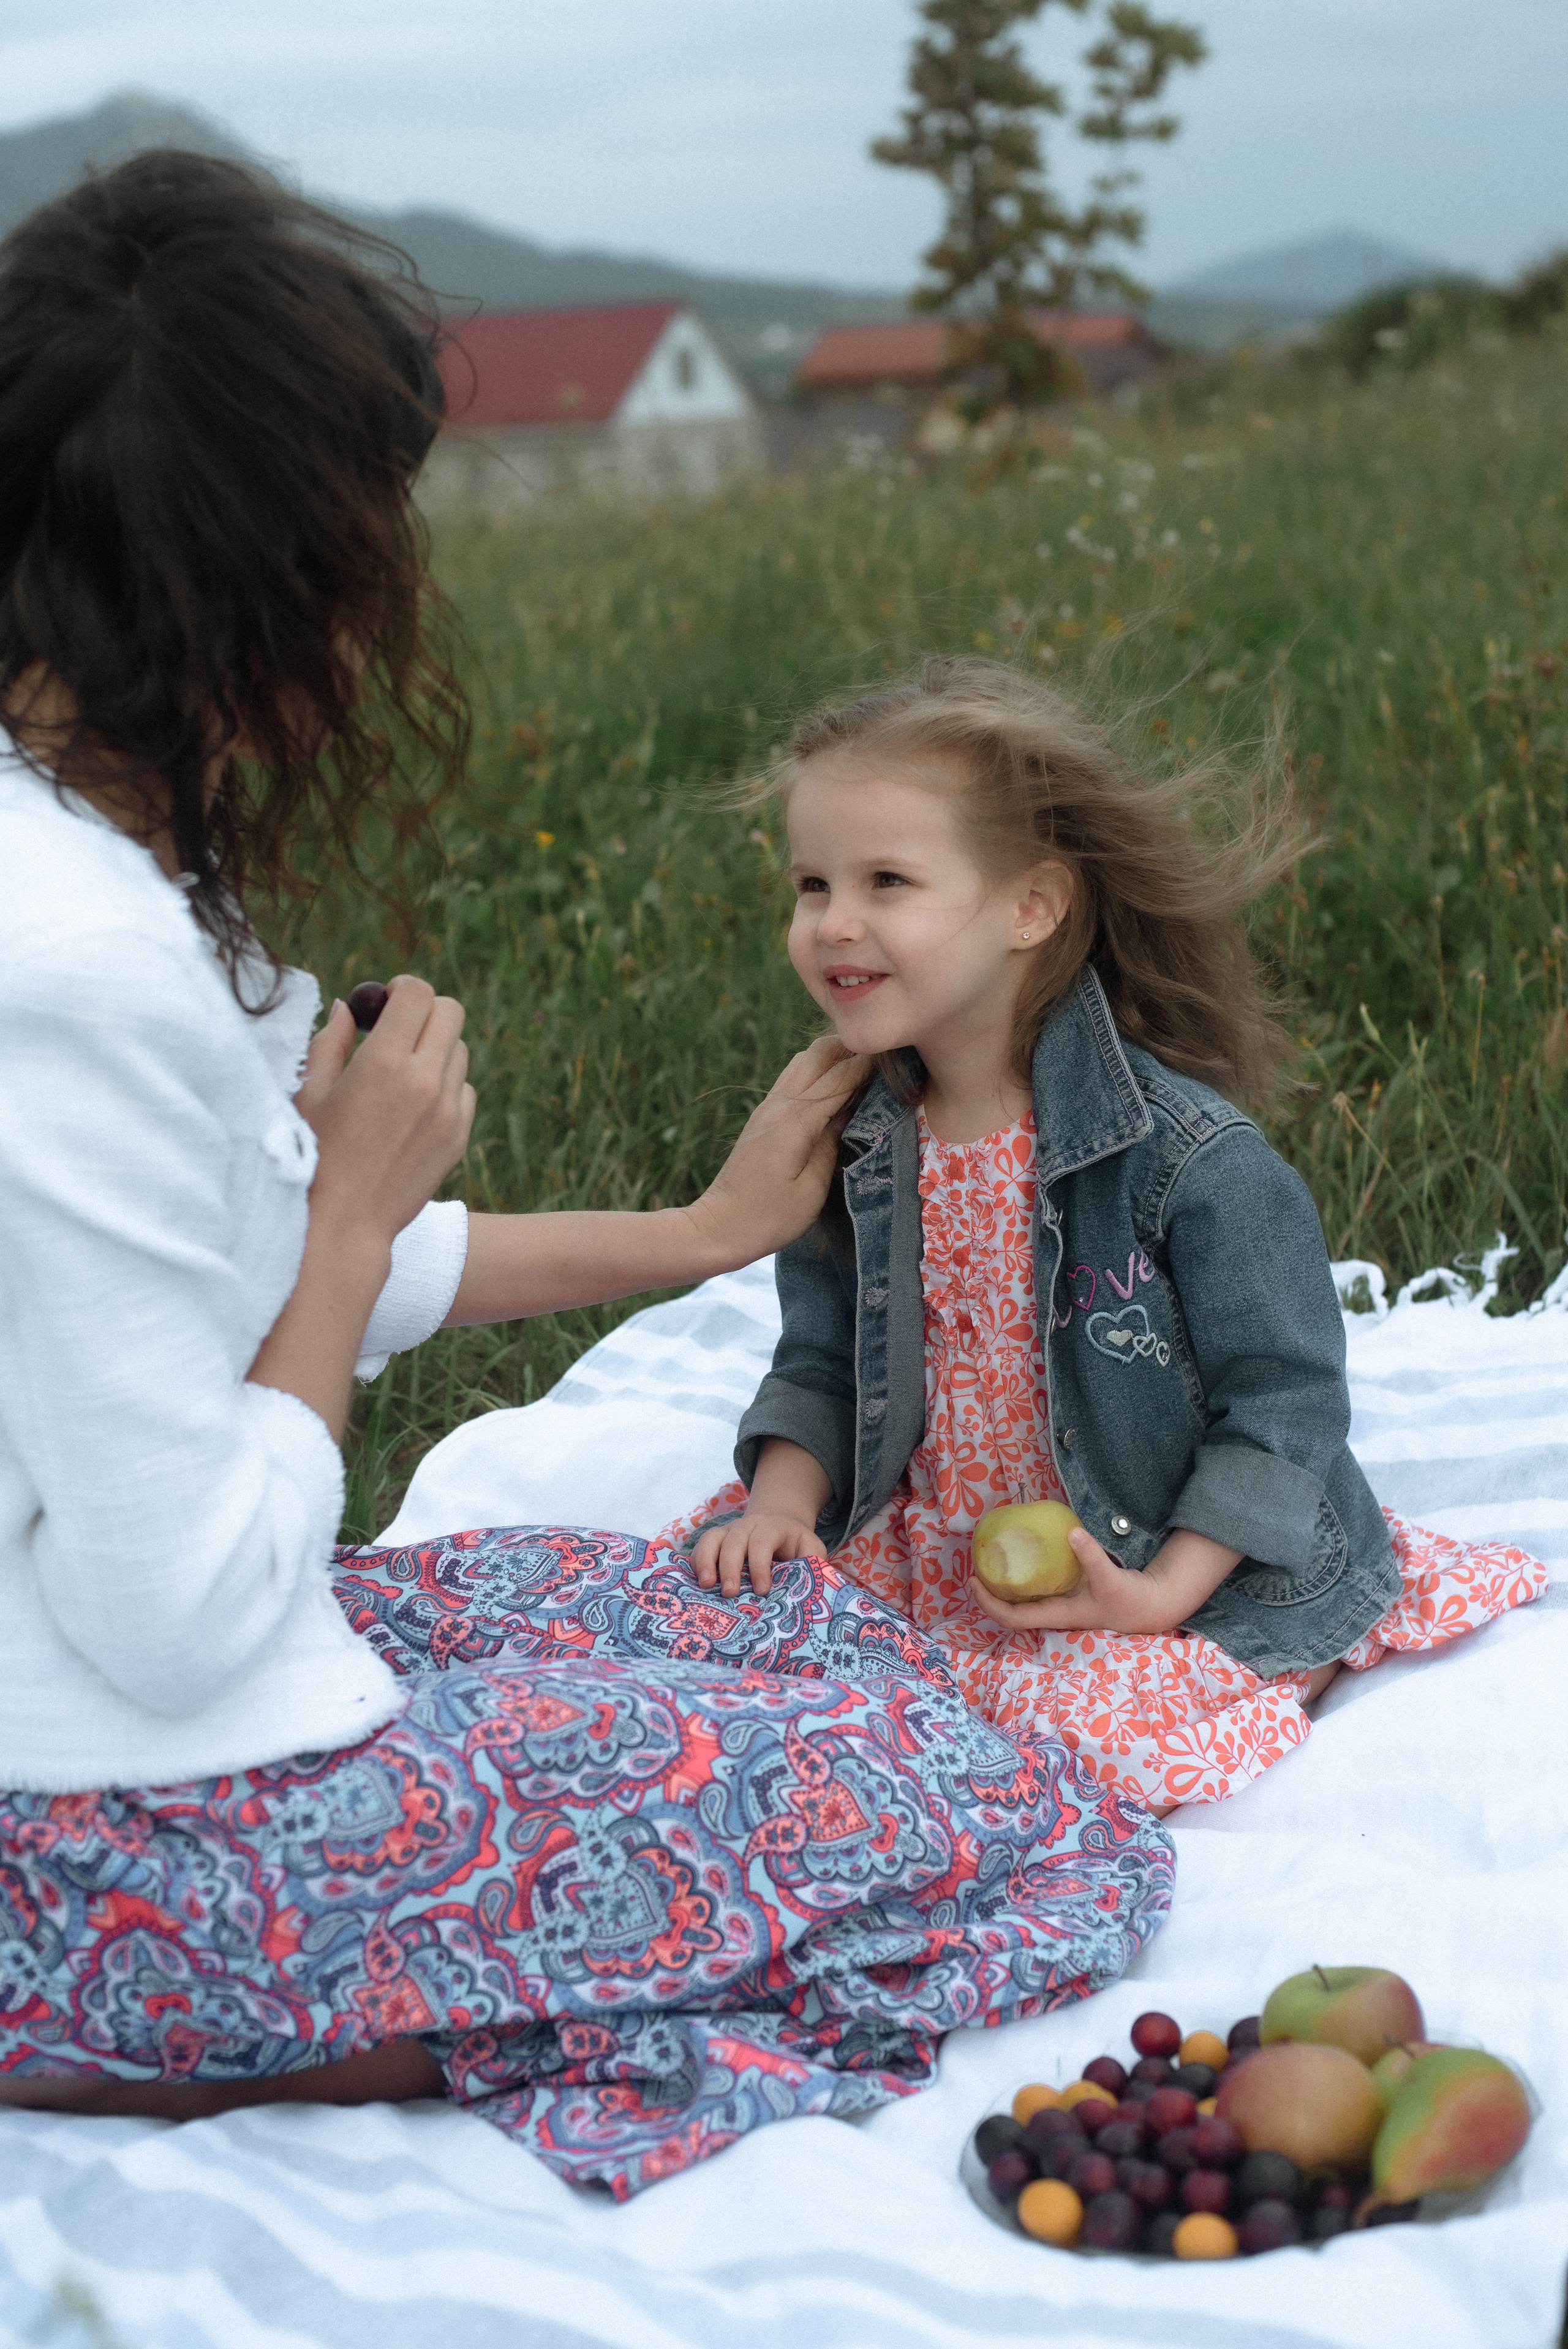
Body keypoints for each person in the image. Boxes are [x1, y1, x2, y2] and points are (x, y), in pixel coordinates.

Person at [0, 156, 1175, 2196]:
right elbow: (184, 1605)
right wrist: (354, 1205)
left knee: (757, 1624)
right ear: (260, 583)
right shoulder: (65, 967)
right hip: (108, 1827)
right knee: (998, 1815)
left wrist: (709, 1233)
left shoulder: (72, 852)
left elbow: (197, 1294)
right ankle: (205, 2039)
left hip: (93, 1686)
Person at [666, 658, 1548, 1814]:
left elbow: (1282, 1398)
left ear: (1033, 905)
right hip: (945, 1550)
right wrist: (783, 1504)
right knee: (705, 1649)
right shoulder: (856, 1137)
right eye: (812, 883)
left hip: (1159, 1557)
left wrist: (1167, 1592)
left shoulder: (1185, 1155)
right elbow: (825, 1359)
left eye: (887, 881)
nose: (835, 923)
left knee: (1068, 1761)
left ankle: (1284, 1648)